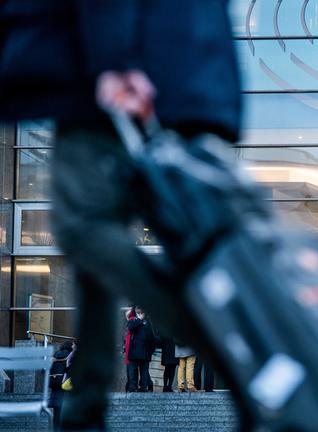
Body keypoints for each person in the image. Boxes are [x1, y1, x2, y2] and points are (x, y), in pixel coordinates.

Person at [1, 2, 243, 428]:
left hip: (113, 80)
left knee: (82, 229)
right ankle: (86, 409)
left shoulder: (113, 62)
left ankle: (217, 335)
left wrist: (114, 61)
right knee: (105, 256)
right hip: (191, 79)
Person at [126, 307, 156, 392]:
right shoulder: (132, 320)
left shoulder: (148, 322)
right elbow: (130, 327)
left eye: (141, 310)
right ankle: (132, 387)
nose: (140, 312)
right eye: (137, 310)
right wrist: (139, 319)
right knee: (133, 371)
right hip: (134, 352)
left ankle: (143, 387)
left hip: (145, 353)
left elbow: (152, 337)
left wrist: (150, 351)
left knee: (144, 372)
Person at [49, 341, 75, 428]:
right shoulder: (70, 356)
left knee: (56, 414)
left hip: (54, 389)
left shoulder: (54, 357)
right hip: (66, 389)